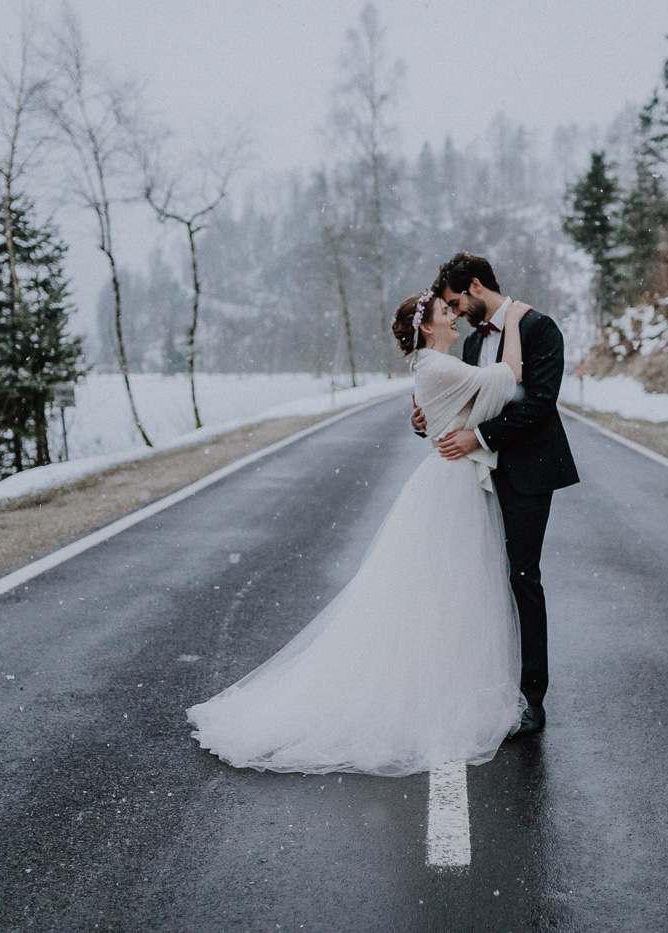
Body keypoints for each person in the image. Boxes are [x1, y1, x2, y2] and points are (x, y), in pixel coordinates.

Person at [186, 290, 535, 777]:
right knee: (448, 588)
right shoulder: (436, 367)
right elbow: (510, 377)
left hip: (452, 479)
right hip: (450, 484)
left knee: (449, 589)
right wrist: (515, 320)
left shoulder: (435, 366)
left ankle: (441, 682)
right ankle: (435, 693)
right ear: (427, 328)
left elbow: (470, 403)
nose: (454, 317)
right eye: (445, 314)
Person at [412, 252, 579, 736]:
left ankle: (532, 698)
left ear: (477, 287)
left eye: (456, 303)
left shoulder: (541, 329)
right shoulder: (470, 348)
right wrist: (426, 421)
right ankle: (484, 684)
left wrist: (481, 438)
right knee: (479, 578)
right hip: (474, 477)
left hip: (527, 473)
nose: (456, 314)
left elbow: (540, 405)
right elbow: (464, 407)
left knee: (522, 578)